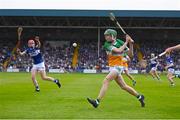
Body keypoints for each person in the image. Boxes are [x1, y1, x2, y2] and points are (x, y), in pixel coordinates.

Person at [87, 29, 145, 108]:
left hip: (118, 67)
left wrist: (131, 44)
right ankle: (140, 97)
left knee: (106, 80)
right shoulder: (107, 44)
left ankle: (97, 101)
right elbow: (118, 50)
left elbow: (130, 55)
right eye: (105, 35)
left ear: (113, 36)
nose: (106, 37)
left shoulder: (120, 42)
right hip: (112, 67)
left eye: (107, 35)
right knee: (123, 86)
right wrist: (126, 42)